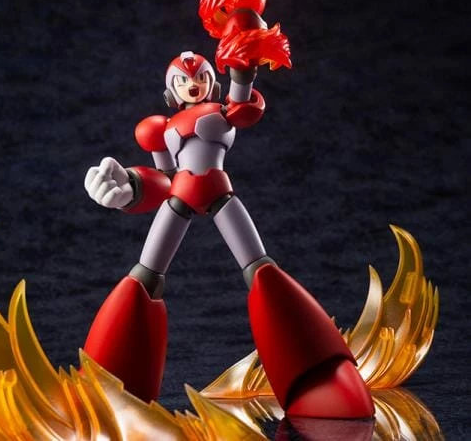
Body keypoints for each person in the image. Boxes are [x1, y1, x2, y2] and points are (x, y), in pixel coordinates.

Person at [83, 49, 374, 419]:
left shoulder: (220, 114)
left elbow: (243, 105)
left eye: (201, 77)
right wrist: (130, 187)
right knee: (145, 277)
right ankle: (112, 380)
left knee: (261, 269)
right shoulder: (162, 128)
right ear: (171, 89)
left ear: (212, 82)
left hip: (220, 195)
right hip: (179, 197)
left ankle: (315, 376)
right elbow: (166, 179)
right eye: (184, 80)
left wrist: (243, 67)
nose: (193, 85)